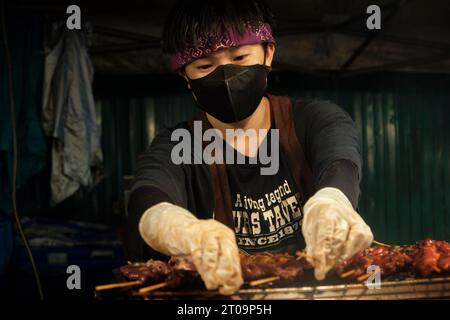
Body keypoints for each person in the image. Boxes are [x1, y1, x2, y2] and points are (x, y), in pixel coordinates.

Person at [128, 0, 373, 295]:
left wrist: (332, 201)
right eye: (205, 66)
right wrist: (178, 228)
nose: (226, 76)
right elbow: (148, 195)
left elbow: (341, 163)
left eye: (241, 57)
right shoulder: (178, 145)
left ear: (268, 53)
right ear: (186, 77)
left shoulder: (314, 120)